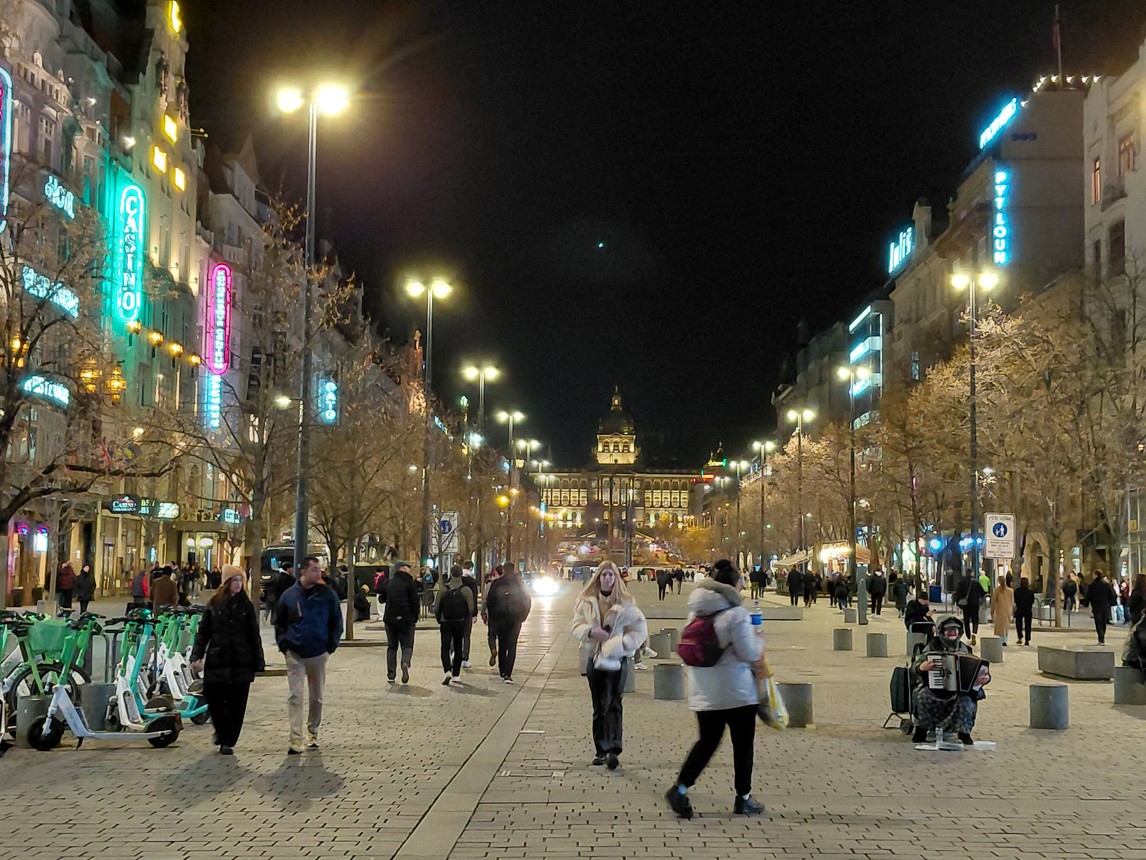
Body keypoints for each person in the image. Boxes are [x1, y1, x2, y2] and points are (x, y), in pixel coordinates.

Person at [665, 560, 765, 819]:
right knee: (743, 745)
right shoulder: (736, 615)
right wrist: (758, 636)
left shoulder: (696, 612)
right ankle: (743, 798)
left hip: (704, 691)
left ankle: (680, 788)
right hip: (738, 692)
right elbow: (750, 653)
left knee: (707, 742)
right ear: (734, 584)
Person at [571, 561, 647, 769]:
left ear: (616, 578)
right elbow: (576, 626)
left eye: (611, 575)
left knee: (614, 702)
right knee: (599, 705)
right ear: (598, 578)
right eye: (603, 575)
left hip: (618, 659)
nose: (607, 578)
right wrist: (590, 631)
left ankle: (614, 749)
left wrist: (624, 644)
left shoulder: (626, 603)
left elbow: (640, 629)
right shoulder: (586, 602)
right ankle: (600, 749)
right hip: (594, 657)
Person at [190, 565, 265, 755]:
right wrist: (196, 656)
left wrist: (258, 661)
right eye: (235, 580)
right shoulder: (214, 604)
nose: (238, 584)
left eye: (240, 580)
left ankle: (228, 740)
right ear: (226, 582)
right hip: (217, 658)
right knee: (213, 697)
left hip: (241, 661)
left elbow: (253, 635)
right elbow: (203, 632)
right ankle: (221, 731)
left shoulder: (246, 606)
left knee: (236, 704)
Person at [274, 555, 342, 754]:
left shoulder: (327, 595)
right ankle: (295, 738)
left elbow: (336, 621)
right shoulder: (289, 595)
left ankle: (313, 731)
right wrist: (284, 645)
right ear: (303, 571)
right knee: (295, 695)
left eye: (319, 569)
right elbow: (280, 622)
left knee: (316, 696)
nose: (319, 573)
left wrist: (330, 647)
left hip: (318, 652)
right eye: (314, 569)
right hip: (294, 652)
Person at [911, 615, 990, 744]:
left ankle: (964, 732)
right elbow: (914, 667)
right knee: (923, 696)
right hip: (935, 688)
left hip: (959, 691)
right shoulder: (932, 647)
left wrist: (984, 678)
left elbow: (979, 671)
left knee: (966, 701)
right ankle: (922, 730)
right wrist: (921, 667)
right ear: (942, 631)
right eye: (949, 629)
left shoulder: (965, 649)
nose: (953, 632)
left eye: (955, 629)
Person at [485, 562, 532, 683]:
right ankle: (508, 673)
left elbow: (490, 601)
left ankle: (502, 670)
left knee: (502, 644)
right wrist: (522, 617)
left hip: (500, 619)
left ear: (504, 570)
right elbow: (527, 601)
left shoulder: (496, 584)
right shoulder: (519, 584)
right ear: (514, 569)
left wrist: (493, 618)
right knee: (512, 646)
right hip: (515, 620)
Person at [434, 565, 475, 685]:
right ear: (461, 574)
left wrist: (439, 619)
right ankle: (456, 674)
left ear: (451, 574)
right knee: (458, 647)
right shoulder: (466, 590)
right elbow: (471, 608)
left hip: (445, 622)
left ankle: (447, 670)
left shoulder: (443, 589)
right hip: (459, 622)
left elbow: (436, 607)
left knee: (445, 647)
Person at [382, 561, 420, 684]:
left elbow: (382, 597)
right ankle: (405, 662)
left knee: (392, 647)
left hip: (390, 619)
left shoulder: (390, 582)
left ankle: (391, 674)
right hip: (406, 619)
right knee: (407, 645)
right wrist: (415, 617)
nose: (409, 570)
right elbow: (415, 601)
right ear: (402, 569)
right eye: (407, 568)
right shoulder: (409, 583)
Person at [1085, 569, 1117, 646]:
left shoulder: (1092, 585)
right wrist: (1110, 602)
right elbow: (1112, 595)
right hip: (1105, 606)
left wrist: (1086, 603)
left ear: (1096, 575)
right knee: (1103, 622)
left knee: (1098, 622)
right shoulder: (1107, 584)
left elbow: (1089, 596)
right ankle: (1102, 636)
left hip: (1096, 606)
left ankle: (1101, 637)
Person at [953, 571, 985, 645]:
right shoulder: (976, 583)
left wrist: (958, 603)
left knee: (966, 620)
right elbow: (982, 593)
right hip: (975, 604)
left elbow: (958, 594)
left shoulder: (961, 583)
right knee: (975, 619)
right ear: (972, 574)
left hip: (965, 605)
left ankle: (968, 636)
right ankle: (974, 633)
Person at [459, 561, 480, 668]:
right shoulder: (472, 582)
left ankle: (454, 652)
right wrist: (474, 614)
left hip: (454, 611)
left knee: (455, 634)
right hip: (467, 612)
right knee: (466, 635)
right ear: (471, 568)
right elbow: (474, 598)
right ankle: (465, 659)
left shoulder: (455, 579)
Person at [990, 575, 1014, 646]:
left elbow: (993, 602)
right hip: (1008, 609)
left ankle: (1002, 639)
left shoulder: (996, 590)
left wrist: (992, 611)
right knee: (1006, 625)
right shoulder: (1010, 590)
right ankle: (1005, 639)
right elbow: (1012, 601)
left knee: (1000, 625)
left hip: (1000, 609)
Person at [1013, 576, 1035, 645]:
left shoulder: (1017, 591)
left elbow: (1015, 600)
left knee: (1019, 624)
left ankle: (1020, 637)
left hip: (1019, 609)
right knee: (1028, 625)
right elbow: (1032, 601)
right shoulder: (1030, 592)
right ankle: (1027, 639)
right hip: (1028, 610)